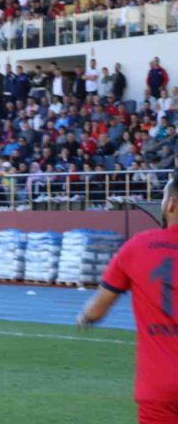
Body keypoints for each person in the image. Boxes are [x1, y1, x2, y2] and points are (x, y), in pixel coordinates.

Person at [77, 178, 178, 423]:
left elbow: (97, 310)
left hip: (160, 385)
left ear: (171, 204)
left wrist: (85, 316)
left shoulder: (138, 246)